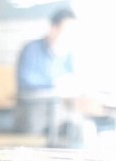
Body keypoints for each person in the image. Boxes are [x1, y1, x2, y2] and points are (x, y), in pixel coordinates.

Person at [15, 8, 89, 145]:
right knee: (55, 135)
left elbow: (72, 79)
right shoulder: (31, 49)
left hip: (60, 114)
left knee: (81, 129)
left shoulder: (67, 54)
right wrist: (54, 83)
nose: (69, 36)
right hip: (34, 113)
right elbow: (25, 79)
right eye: (66, 31)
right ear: (53, 29)